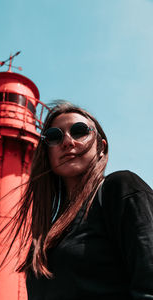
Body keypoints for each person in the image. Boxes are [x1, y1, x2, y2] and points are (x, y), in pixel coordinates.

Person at [9, 101, 153, 299]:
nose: (67, 141)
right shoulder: (45, 236)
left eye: (79, 131)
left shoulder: (119, 188)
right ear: (47, 153)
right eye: (54, 136)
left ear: (100, 146)